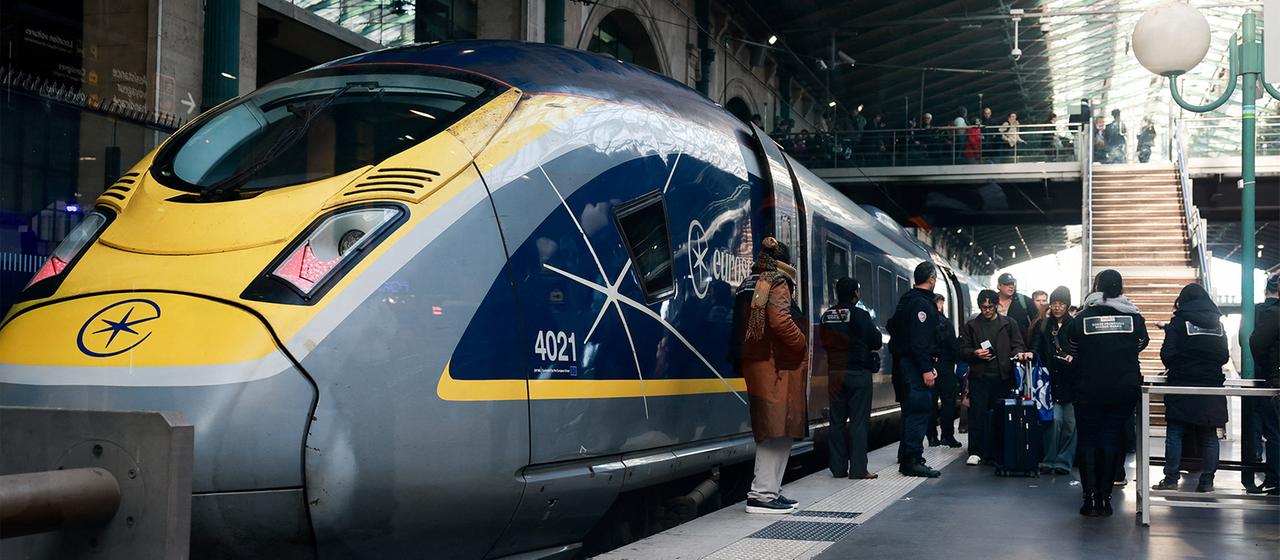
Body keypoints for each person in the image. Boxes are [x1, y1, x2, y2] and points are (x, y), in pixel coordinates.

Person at [732, 237, 808, 514]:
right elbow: (779, 319)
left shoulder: (750, 282)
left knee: (777, 428)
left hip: (760, 363)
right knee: (775, 429)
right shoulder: (776, 281)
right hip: (774, 365)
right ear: (784, 262)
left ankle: (771, 491)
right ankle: (762, 494)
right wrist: (801, 341)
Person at [1068, 269, 1149, 517]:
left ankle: (1089, 498)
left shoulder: (1081, 318)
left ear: (1097, 288)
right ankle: (1105, 498)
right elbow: (1141, 344)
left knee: (1088, 440)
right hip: (1122, 389)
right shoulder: (1134, 317)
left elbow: (1071, 346)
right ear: (1120, 289)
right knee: (1112, 438)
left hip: (1088, 389)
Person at [1152, 283, 1230, 493]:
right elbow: (1223, 356)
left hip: (1182, 383)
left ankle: (1170, 479)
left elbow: (1167, 355)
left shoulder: (1178, 322)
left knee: (1176, 431)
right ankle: (1207, 481)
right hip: (1212, 384)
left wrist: (1180, 364)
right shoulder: (1218, 325)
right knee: (1209, 433)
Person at [959, 289, 1031, 465]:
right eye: (983, 307)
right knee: (977, 415)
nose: (987, 310)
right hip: (980, 377)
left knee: (1000, 415)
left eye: (990, 306)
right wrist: (975, 353)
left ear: (996, 305)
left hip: (1003, 377)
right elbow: (961, 349)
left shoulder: (1009, 323)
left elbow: (1017, 344)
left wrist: (1019, 354)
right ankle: (976, 451)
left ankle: (997, 452)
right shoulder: (971, 326)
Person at [821, 277, 882, 480]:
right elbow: (876, 340)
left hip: (835, 375)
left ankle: (838, 469)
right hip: (858, 374)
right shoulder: (860, 315)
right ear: (856, 293)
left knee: (836, 421)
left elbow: (823, 342)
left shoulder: (827, 316)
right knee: (858, 422)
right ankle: (858, 470)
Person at [887, 261, 944, 478]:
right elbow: (920, 341)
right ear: (931, 279)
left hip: (902, 364)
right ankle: (913, 460)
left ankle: (905, 456)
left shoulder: (905, 301)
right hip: (914, 366)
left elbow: (892, 325)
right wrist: (926, 368)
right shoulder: (922, 304)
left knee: (909, 411)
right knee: (919, 411)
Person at [1032, 286, 1076, 475]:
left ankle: (1064, 462)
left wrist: (1073, 358)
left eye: (1061, 304)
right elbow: (1035, 347)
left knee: (1070, 425)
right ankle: (1049, 459)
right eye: (1055, 303)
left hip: (1071, 381)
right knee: (1053, 421)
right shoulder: (1043, 325)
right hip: (1049, 381)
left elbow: (1080, 349)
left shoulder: (1075, 325)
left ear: (1067, 305)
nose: (1057, 307)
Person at [1245, 273, 1280, 494]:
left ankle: (1276, 478)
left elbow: (1256, 342)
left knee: (1275, 432)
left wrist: (1268, 368)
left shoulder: (1274, 314)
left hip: (1275, 379)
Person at [928, 293, 962, 448]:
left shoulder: (924, 321)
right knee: (948, 401)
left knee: (931, 403)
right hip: (945, 366)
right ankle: (947, 436)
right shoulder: (946, 323)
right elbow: (953, 346)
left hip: (928, 366)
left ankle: (932, 437)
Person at [996, 272, 1037, 339]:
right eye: (1007, 284)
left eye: (1012, 284)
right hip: (997, 344)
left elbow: (1036, 324)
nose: (1011, 286)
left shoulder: (1025, 301)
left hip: (1019, 345)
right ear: (999, 286)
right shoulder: (991, 301)